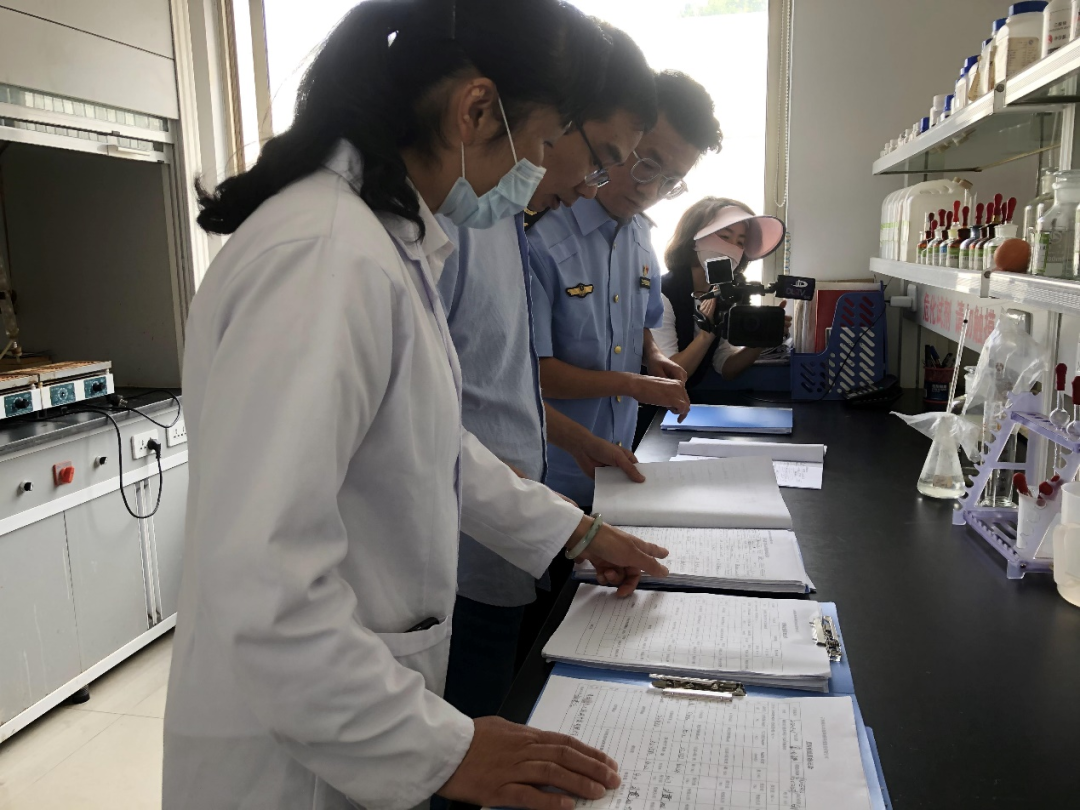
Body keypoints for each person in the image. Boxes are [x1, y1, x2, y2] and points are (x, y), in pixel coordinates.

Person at [161, 4, 670, 810]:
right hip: (294, 760)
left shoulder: (384, 242)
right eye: (545, 144)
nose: (556, 173)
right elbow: (264, 580)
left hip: (345, 720)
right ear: (477, 110)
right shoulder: (326, 257)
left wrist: (569, 532)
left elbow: (434, 444)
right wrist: (444, 749)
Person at [436, 22, 657, 721]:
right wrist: (574, 531)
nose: (593, 186)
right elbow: (428, 434)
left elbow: (499, 388)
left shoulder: (500, 217)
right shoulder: (450, 226)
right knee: (469, 735)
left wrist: (579, 447)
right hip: (460, 559)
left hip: (509, 542)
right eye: (600, 159)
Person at [528, 70, 723, 508]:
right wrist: (635, 385)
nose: (649, 189)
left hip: (618, 468)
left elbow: (638, 325)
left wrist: (653, 359)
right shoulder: (541, 233)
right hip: (550, 479)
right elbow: (531, 375)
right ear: (621, 136)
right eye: (646, 163)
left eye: (670, 181)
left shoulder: (639, 236)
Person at [656, 197, 787, 386]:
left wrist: (763, 338)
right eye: (725, 237)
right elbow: (669, 375)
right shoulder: (662, 293)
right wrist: (707, 334)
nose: (732, 247)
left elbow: (725, 366)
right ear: (694, 239)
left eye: (741, 242)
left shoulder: (726, 294)